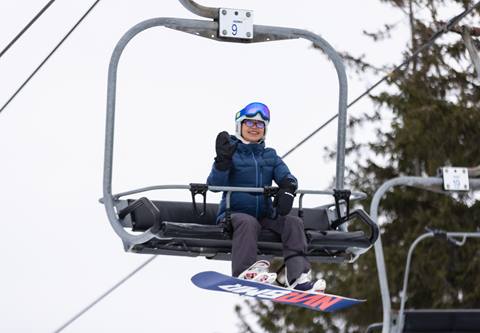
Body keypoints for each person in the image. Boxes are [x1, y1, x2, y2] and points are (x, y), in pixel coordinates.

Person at [207, 102, 326, 292]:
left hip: (264, 214)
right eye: (250, 123)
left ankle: (297, 276)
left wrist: (288, 187)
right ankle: (244, 272)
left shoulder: (269, 156)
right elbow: (214, 185)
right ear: (240, 126)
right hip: (234, 215)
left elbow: (286, 175)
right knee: (248, 222)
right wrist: (222, 162)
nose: (255, 128)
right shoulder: (232, 153)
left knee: (293, 223)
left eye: (260, 125)